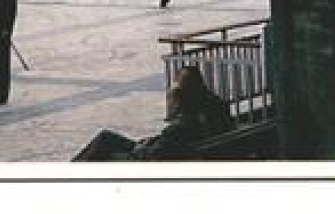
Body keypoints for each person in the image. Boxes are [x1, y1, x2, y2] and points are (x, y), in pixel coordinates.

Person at [73, 65, 230, 161]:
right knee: (107, 138)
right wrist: (154, 139)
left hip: (149, 159)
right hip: (194, 149)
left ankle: (71, 172)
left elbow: (155, 154)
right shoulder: (216, 105)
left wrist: (142, 146)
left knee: (105, 138)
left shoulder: (181, 125)